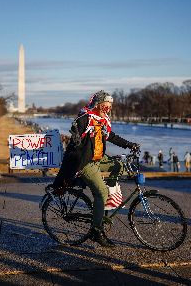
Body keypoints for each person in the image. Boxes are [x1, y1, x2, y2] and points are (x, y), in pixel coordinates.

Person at [52, 90, 139, 247]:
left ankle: (105, 203)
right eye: (107, 105)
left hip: (98, 158)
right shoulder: (86, 118)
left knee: (119, 166)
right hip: (85, 162)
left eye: (110, 105)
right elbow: (76, 128)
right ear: (99, 104)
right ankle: (96, 230)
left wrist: (129, 144)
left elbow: (110, 136)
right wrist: (76, 136)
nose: (109, 108)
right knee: (101, 193)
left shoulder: (102, 120)